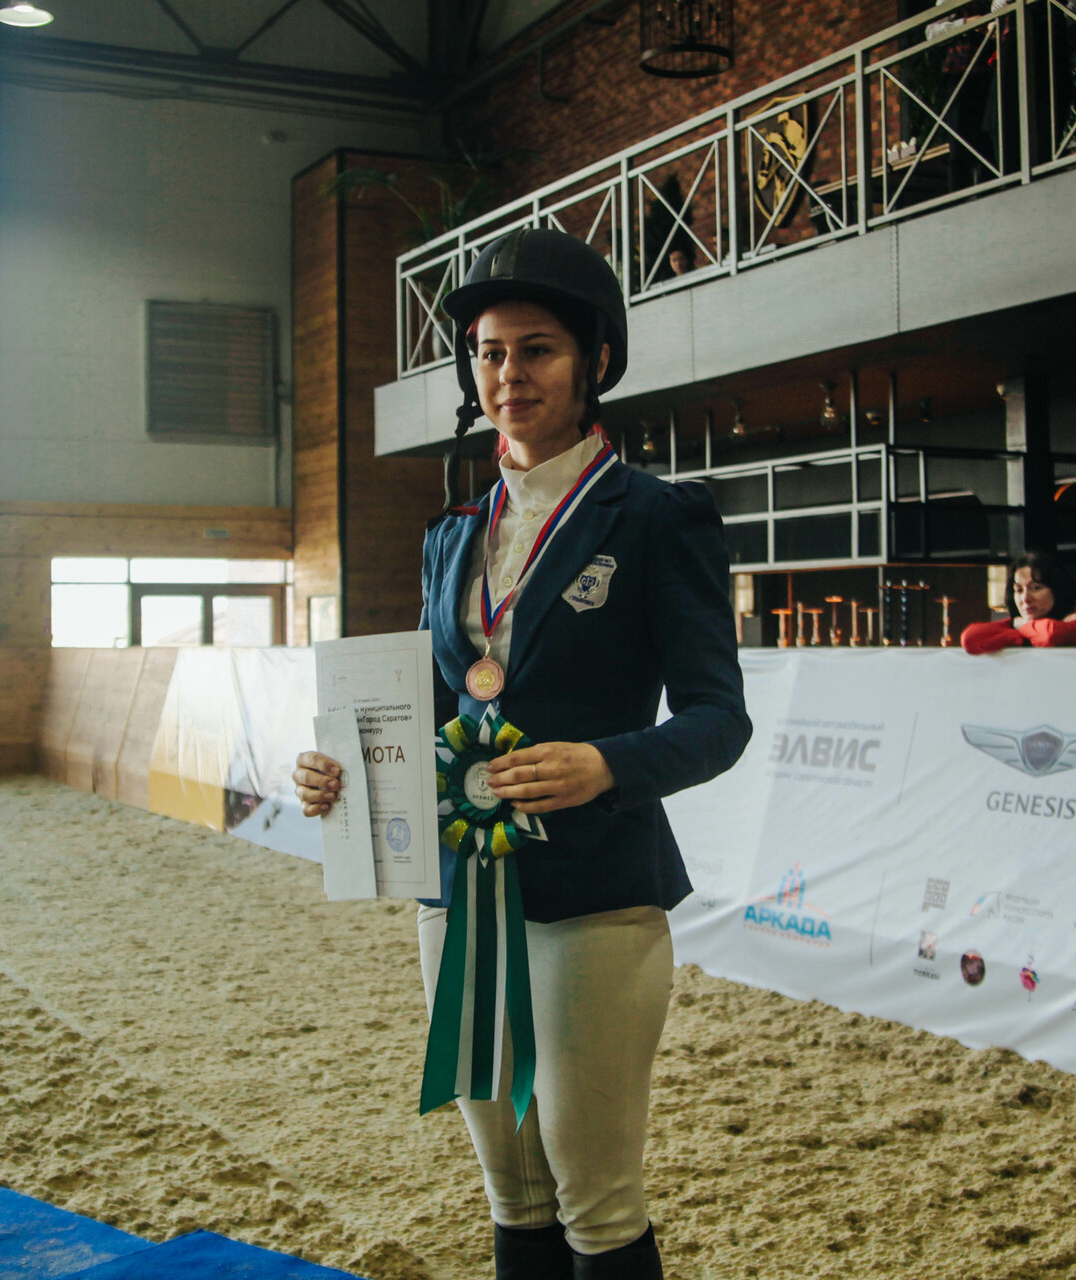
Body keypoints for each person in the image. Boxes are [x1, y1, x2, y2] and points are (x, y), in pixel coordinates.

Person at [292, 226, 751, 1280]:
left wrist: (608, 763)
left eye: (537, 349)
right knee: (514, 1190)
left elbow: (718, 719)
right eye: (490, 353)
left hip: (596, 891)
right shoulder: (452, 532)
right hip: (458, 891)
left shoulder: (659, 516)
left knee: (596, 1195)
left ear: (595, 360)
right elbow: (432, 711)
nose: (509, 374)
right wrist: (344, 769)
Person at [960, 551, 1076, 653]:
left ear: (1057, 589)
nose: (1025, 598)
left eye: (1036, 588)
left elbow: (1051, 636)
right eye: (1019, 590)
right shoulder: (1017, 623)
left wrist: (1023, 627)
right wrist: (1022, 635)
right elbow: (971, 638)